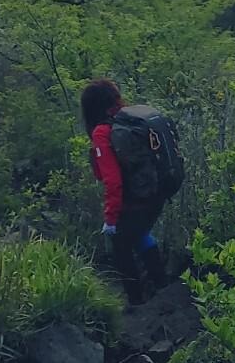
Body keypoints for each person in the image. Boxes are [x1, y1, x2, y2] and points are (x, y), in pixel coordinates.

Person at [80, 79, 168, 305]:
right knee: (139, 234)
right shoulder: (130, 120)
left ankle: (136, 302)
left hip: (134, 200)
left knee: (120, 246)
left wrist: (110, 218)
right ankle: (162, 285)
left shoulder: (102, 132)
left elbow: (112, 181)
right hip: (155, 193)